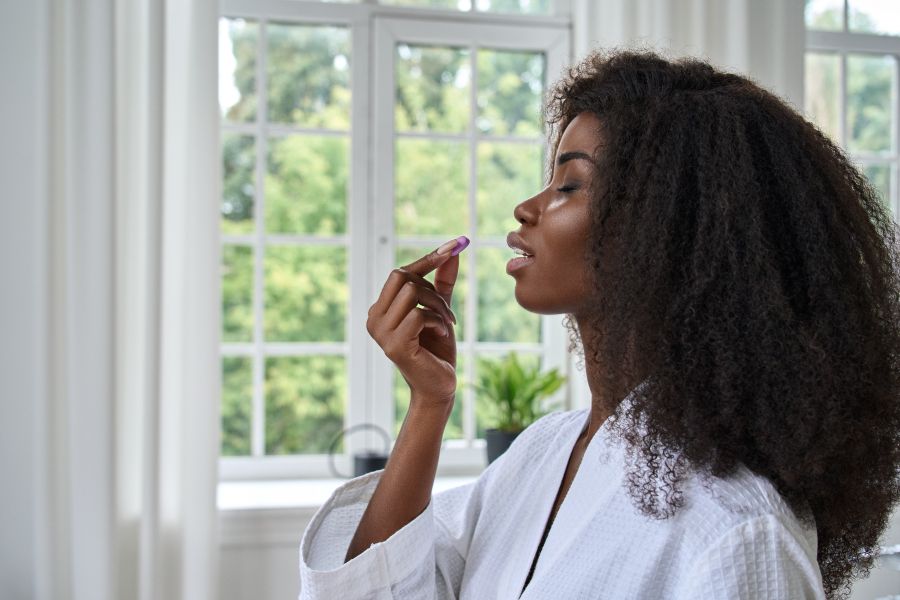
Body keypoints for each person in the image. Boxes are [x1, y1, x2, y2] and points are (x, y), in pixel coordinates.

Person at [298, 48, 900, 599]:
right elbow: (378, 589)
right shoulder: (542, 454)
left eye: (570, 184)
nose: (527, 208)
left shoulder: (737, 531)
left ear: (666, 230)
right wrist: (429, 405)